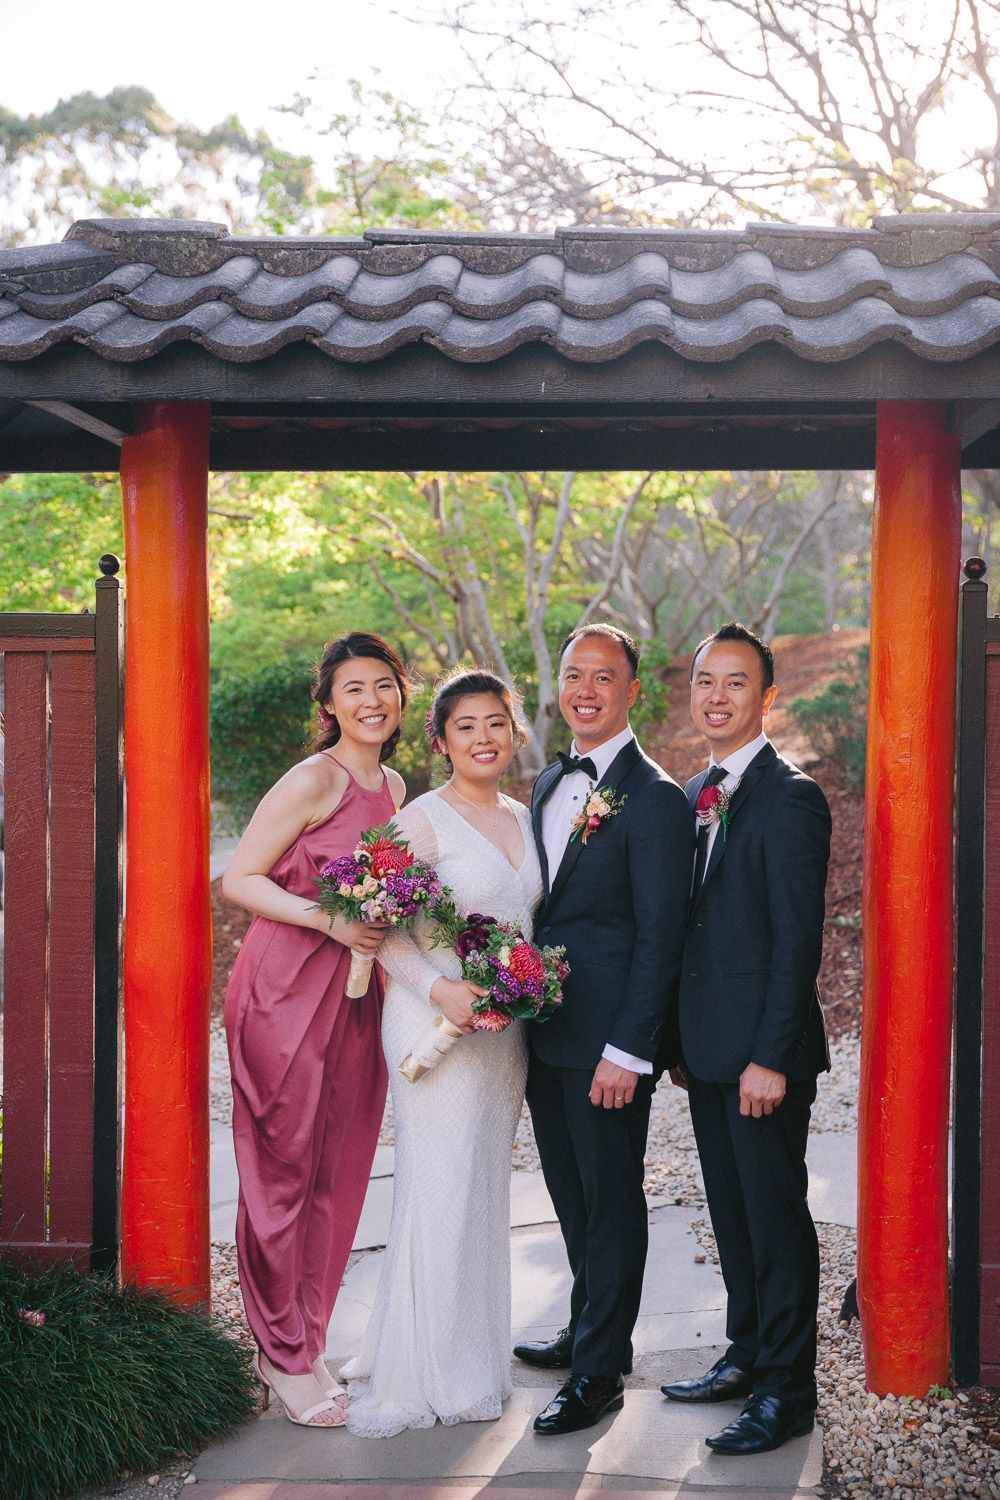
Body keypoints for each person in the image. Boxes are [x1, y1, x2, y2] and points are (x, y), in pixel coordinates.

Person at [342, 668, 542, 1437]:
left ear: (515, 732)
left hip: (503, 1035)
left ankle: (472, 1352)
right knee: (441, 1185)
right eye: (466, 726)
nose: (484, 738)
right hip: (432, 1025)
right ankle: (433, 1373)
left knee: (481, 1187)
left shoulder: (525, 816)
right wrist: (439, 989)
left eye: (496, 723)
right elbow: (372, 923)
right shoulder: (420, 821)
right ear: (440, 740)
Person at [222, 632, 408, 1428]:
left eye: (384, 684)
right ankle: (278, 1351)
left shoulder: (396, 786)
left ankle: (308, 1338)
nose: (372, 700)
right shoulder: (311, 779)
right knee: (283, 1172)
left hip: (358, 999)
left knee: (340, 1171)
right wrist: (330, 920)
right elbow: (239, 879)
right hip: (284, 992)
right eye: (354, 688)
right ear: (328, 704)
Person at [517, 624, 692, 1436]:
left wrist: (630, 1049)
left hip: (610, 1044)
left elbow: (662, 935)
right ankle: (588, 1327)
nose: (585, 689)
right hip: (547, 1029)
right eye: (573, 674)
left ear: (631, 692)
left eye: (603, 676)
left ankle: (600, 1372)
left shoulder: (654, 797)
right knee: (571, 1193)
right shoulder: (550, 782)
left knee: (612, 1199)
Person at [660, 621, 831, 1457]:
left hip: (764, 1056)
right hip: (707, 1050)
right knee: (731, 1215)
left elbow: (798, 941)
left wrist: (770, 1055)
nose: (717, 696)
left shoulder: (791, 796)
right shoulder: (695, 791)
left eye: (736, 682)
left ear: (768, 697)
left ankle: (786, 1391)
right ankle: (747, 1352)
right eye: (706, 681)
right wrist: (681, 1042)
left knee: (774, 1220)